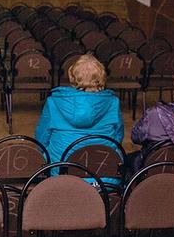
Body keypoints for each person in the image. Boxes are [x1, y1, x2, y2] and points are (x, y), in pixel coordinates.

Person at [35, 54, 124, 183]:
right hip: (104, 177)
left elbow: (41, 139)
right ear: (101, 77)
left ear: (73, 77)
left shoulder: (53, 101)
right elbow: (118, 136)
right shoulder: (113, 102)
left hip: (63, 174)